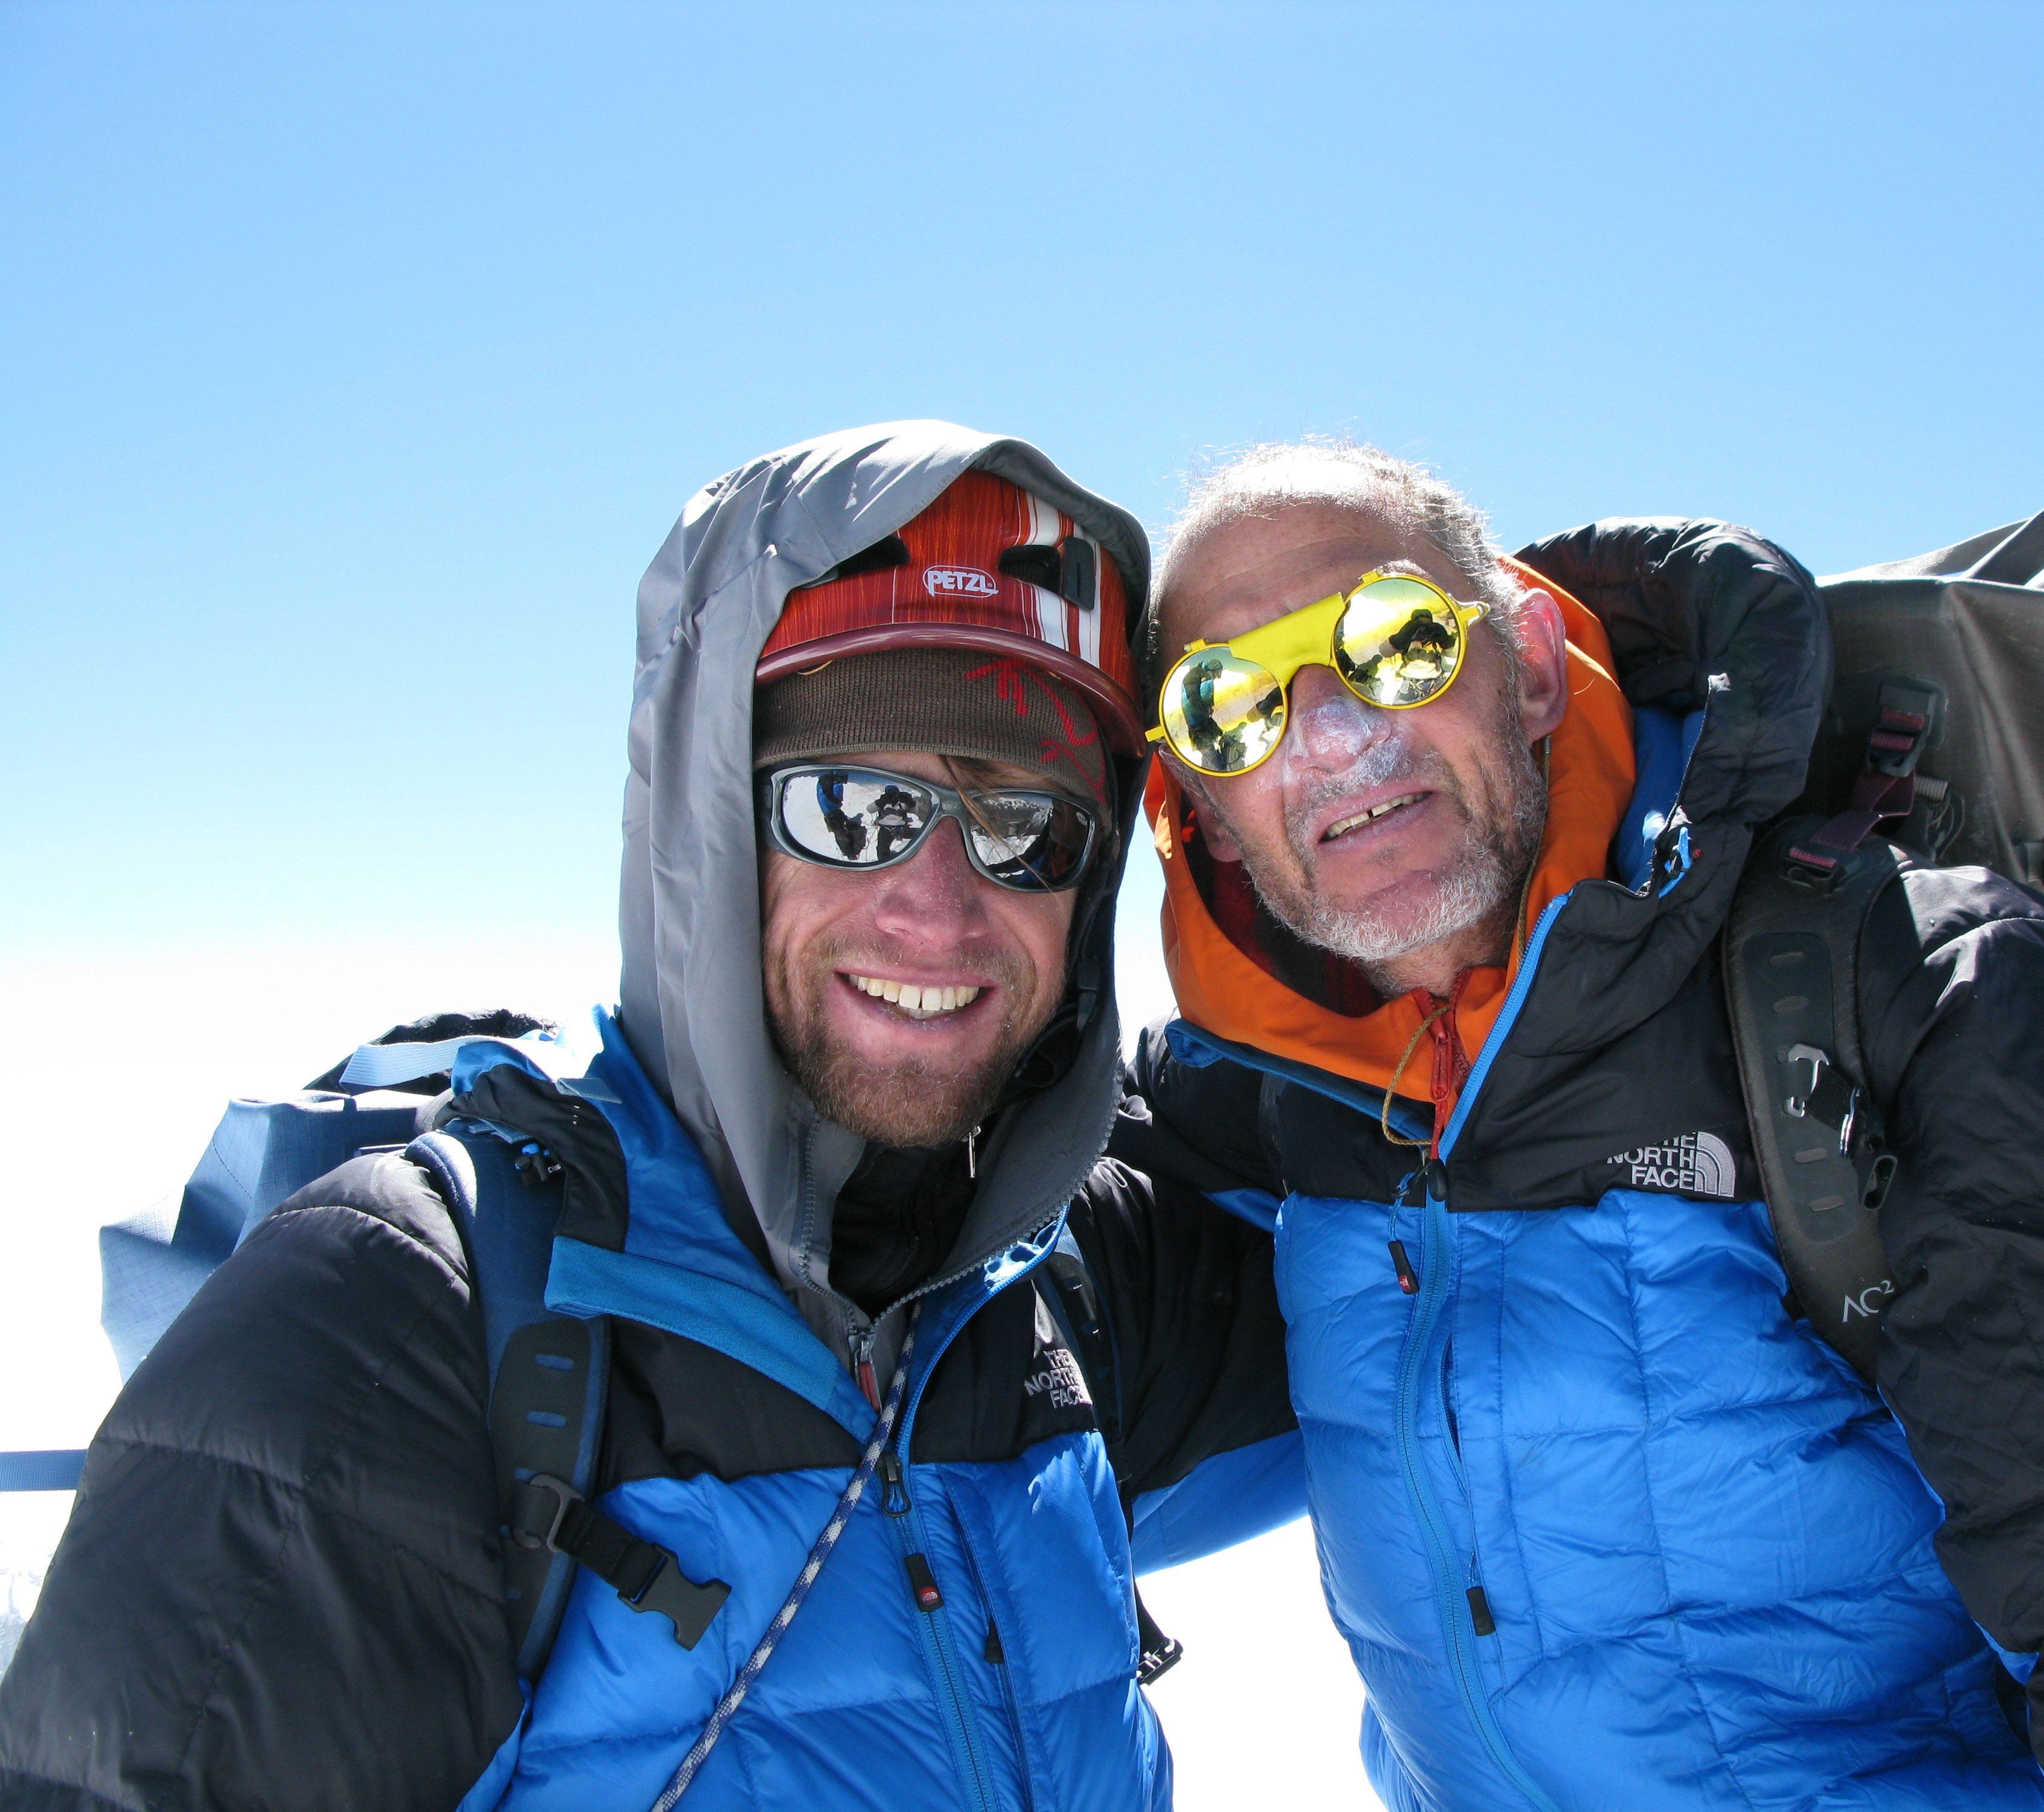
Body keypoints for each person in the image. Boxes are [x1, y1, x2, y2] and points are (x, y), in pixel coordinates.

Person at [0, 423, 1297, 1811]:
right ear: (710, 827)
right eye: (850, 808)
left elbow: (1418, 1283)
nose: (937, 909)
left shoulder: (1057, 1286)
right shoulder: (399, 1316)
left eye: (1026, 830)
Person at [1111, 440, 2044, 1810]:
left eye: (1396, 638)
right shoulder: (1260, 1093)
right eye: (1227, 704)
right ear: (1198, 806)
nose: (1330, 736)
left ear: (1536, 664)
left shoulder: (1924, 994)